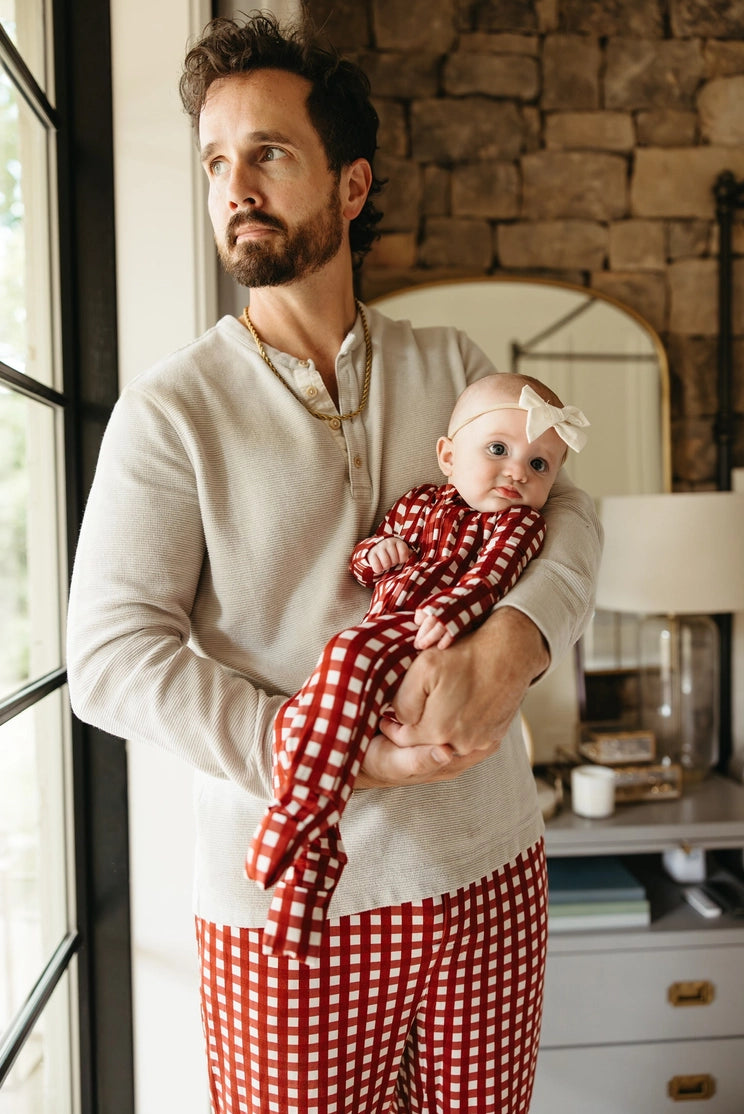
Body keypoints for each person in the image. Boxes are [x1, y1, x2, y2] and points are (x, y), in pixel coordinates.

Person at [66, 12, 602, 1114]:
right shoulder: (170, 413)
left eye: (268, 152)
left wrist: (518, 637)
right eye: (218, 160)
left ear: (350, 186)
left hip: (486, 873)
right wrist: (312, 750)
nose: (236, 185)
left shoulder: (448, 362)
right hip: (285, 912)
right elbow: (109, 658)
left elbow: (571, 505)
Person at [247, 373, 590, 965]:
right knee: (313, 708)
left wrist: (453, 614)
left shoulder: (515, 524)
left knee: (346, 655)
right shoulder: (418, 504)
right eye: (499, 451)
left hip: (419, 637)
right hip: (387, 622)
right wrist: (376, 556)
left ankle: (300, 816)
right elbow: (370, 557)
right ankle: (314, 855)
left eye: (540, 465)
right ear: (448, 456)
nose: (517, 473)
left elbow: (492, 580)